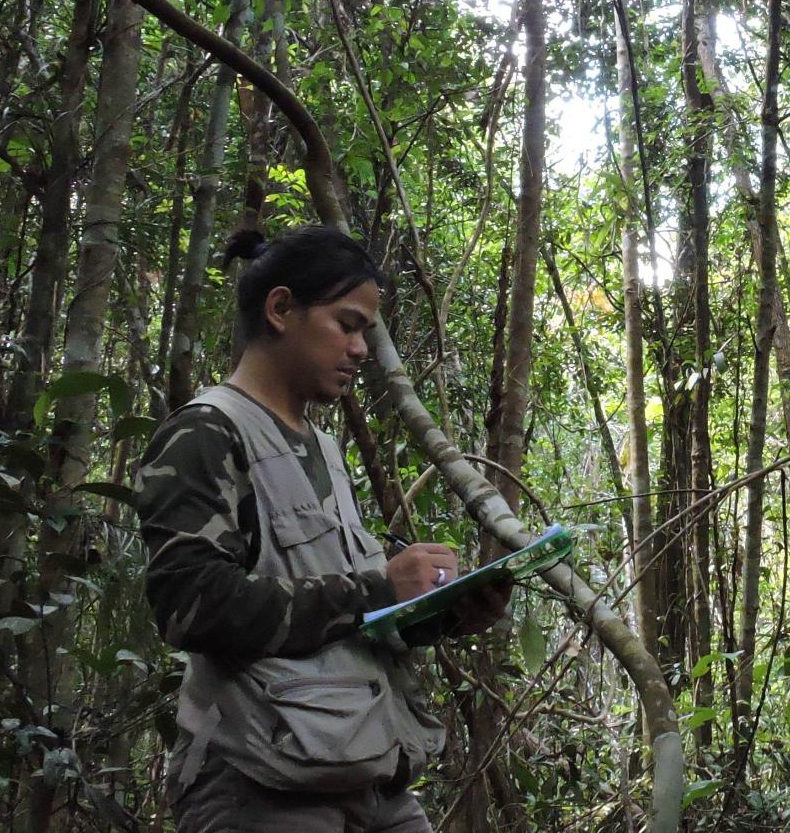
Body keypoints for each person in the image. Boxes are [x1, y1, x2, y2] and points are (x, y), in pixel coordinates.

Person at [134, 226, 509, 832]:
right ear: (281, 309)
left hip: (364, 770)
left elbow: (338, 619)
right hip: (258, 783)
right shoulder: (206, 432)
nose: (361, 348)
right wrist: (378, 588)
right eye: (348, 324)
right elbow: (189, 605)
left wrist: (443, 611)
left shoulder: (325, 450)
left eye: (366, 330)